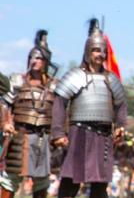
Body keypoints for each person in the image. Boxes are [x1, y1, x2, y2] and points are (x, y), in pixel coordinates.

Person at [51, 19, 127, 198]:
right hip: (79, 134)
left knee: (100, 187)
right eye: (95, 50)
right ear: (87, 52)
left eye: (102, 50)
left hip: (104, 137)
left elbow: (121, 104)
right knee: (70, 183)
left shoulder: (111, 79)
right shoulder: (74, 75)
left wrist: (121, 126)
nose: (100, 54)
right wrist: (57, 133)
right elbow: (59, 103)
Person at [1, 30, 55, 198]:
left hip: (42, 139)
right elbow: (4, 103)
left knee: (41, 184)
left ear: (46, 61)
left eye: (38, 58)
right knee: (9, 181)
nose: (34, 61)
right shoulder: (18, 82)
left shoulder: (54, 87)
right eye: (32, 57)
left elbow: (61, 111)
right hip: (20, 136)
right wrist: (5, 123)